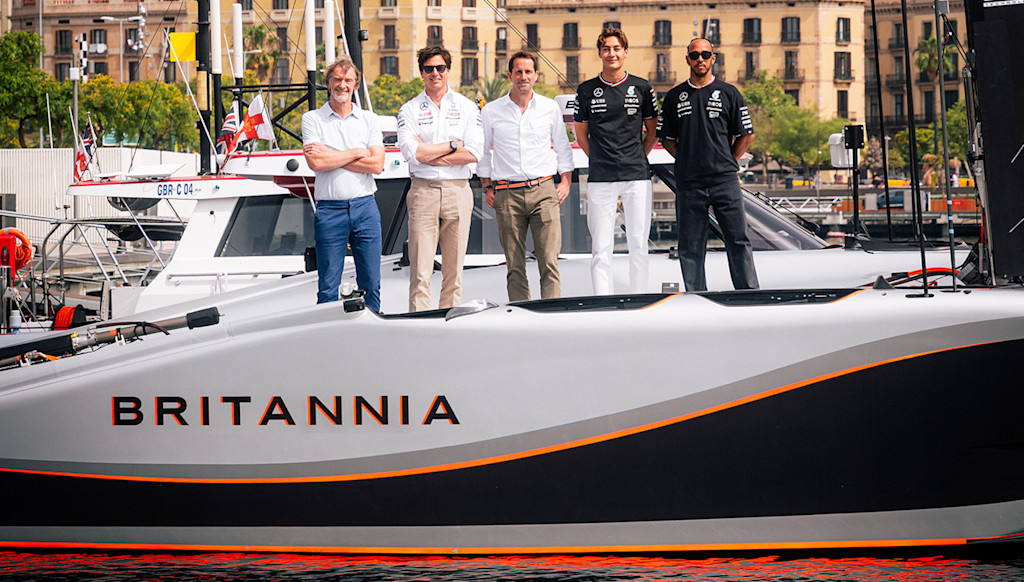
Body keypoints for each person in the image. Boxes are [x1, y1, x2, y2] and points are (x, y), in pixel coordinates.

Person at [658, 38, 759, 292]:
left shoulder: (729, 93)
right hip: (689, 182)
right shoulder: (674, 97)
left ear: (713, 58)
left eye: (705, 54)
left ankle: (748, 294)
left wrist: (728, 160)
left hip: (724, 180)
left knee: (738, 240)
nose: (700, 59)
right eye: (694, 55)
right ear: (688, 60)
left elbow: (746, 135)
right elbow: (666, 139)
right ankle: (696, 296)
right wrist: (686, 158)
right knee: (690, 246)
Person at [478, 52, 574, 301]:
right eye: (518, 72)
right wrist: (487, 187)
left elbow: (562, 147)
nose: (523, 77)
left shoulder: (549, 108)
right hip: (507, 194)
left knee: (549, 262)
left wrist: (565, 181)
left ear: (536, 75)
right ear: (509, 75)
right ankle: (521, 314)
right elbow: (482, 152)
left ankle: (550, 312)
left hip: (544, 191)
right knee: (514, 265)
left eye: (528, 72)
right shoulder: (491, 111)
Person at [397, 46, 484, 312]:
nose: (435, 73)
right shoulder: (409, 109)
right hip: (423, 192)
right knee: (420, 272)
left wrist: (428, 153)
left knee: (454, 272)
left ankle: (450, 322)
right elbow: (411, 153)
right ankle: (420, 323)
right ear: (421, 72)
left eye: (440, 68)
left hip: (458, 191)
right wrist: (453, 145)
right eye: (429, 68)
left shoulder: (467, 107)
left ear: (448, 70)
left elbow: (475, 153)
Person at [573, 28, 659, 295]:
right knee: (601, 247)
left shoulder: (642, 87)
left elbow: (653, 131)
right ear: (600, 53)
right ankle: (603, 301)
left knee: (638, 244)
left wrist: (637, 156)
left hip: (637, 177)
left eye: (617, 48)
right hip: (601, 178)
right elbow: (581, 134)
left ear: (625, 52)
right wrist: (600, 159)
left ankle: (639, 298)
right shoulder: (586, 90)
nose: (612, 53)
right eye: (606, 49)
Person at [301, 56, 385, 310]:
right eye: (337, 79)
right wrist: (357, 152)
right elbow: (316, 163)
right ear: (328, 83)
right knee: (328, 285)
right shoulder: (312, 119)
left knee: (371, 282)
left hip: (365, 207)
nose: (342, 85)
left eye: (348, 80)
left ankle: (372, 326)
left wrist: (331, 154)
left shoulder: (369, 119)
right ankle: (327, 330)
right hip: (330, 210)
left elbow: (377, 165)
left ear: (355, 85)